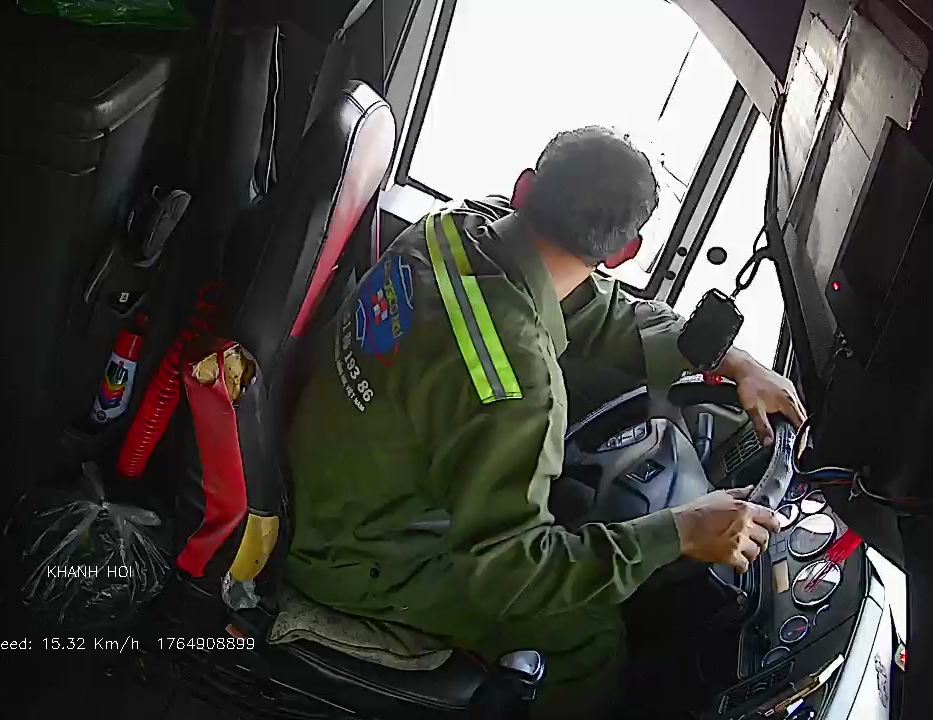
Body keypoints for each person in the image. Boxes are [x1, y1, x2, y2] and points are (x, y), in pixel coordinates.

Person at [284, 126, 805, 718]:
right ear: (625, 252)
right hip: (356, 553)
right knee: (589, 636)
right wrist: (680, 533)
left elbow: (598, 309)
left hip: (336, 468)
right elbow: (511, 574)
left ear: (523, 188)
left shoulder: (454, 227)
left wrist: (732, 360)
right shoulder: (514, 388)